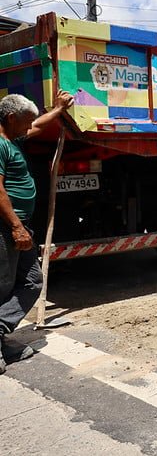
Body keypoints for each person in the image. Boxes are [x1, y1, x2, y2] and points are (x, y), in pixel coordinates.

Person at [0, 90, 73, 374]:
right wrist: (16, 227)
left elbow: (40, 125)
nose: (30, 127)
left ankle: (2, 333)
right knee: (3, 286)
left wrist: (57, 109)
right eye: (25, 122)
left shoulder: (12, 137)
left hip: (19, 227)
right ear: (11, 118)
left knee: (31, 281)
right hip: (7, 228)